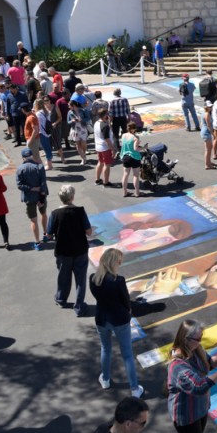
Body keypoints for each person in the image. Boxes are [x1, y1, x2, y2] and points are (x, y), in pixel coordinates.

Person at [91, 249, 143, 396]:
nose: (120, 264)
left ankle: (105, 379)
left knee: (105, 349)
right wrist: (128, 310)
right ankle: (134, 389)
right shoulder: (118, 280)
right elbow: (126, 300)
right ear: (114, 262)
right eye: (119, 261)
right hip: (120, 320)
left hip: (101, 318)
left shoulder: (93, 278)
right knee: (127, 355)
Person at [48, 185, 93, 316]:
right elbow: (89, 232)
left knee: (63, 277)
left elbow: (49, 235)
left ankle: (61, 299)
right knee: (80, 280)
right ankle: (79, 306)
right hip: (80, 250)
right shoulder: (80, 211)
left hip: (63, 251)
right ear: (72, 197)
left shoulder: (55, 213)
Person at [16, 148, 49, 249]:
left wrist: (31, 188)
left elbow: (19, 185)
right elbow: (43, 184)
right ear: (32, 156)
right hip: (40, 196)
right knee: (43, 213)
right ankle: (45, 234)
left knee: (33, 220)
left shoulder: (20, 169)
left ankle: (37, 242)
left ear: (23, 158)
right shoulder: (40, 167)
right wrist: (41, 198)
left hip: (29, 198)